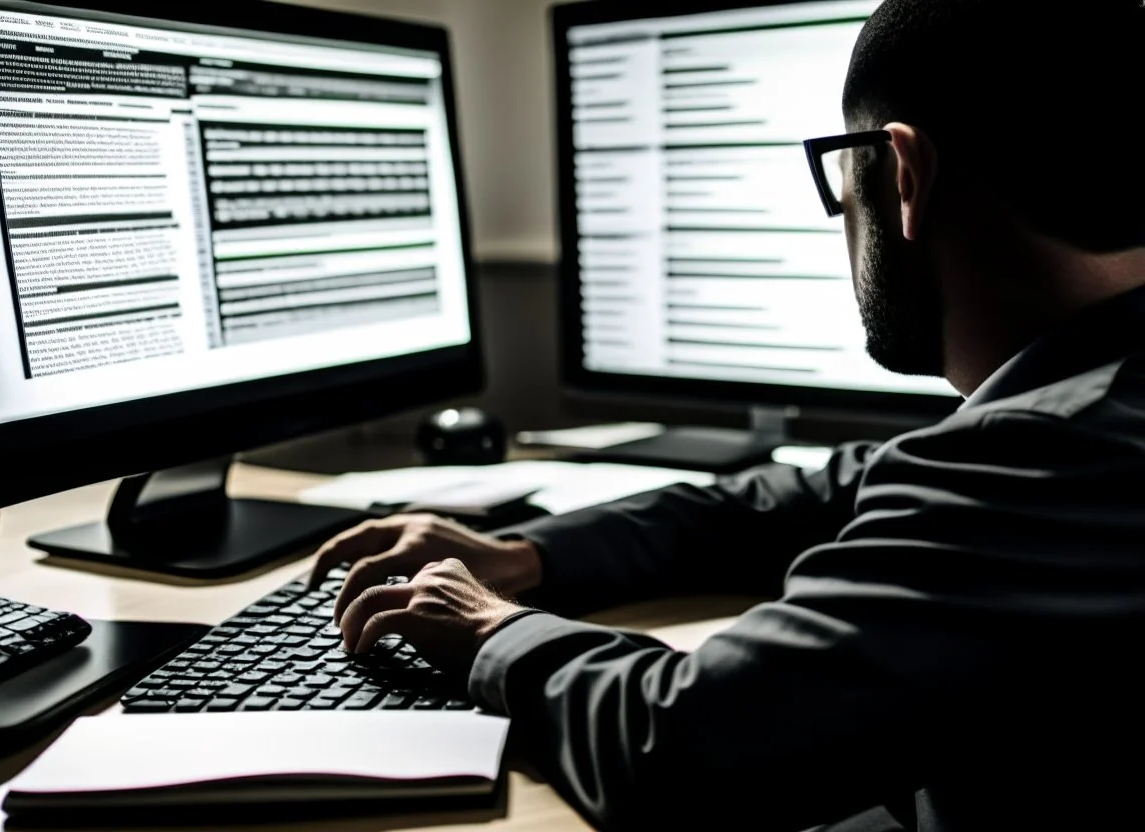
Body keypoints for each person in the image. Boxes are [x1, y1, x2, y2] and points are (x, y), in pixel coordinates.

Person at [306, 1, 1145, 829]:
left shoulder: (1051, 452)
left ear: (901, 174)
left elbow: (680, 749)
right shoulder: (1084, 402)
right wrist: (528, 555)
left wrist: (494, 631)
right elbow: (820, 495)